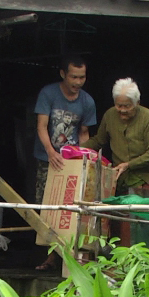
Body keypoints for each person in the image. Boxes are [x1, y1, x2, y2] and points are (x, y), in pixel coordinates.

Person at [33, 55, 98, 270]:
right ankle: (51, 256)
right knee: (47, 207)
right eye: (73, 77)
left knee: (71, 207)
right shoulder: (48, 93)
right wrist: (51, 152)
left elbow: (84, 133)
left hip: (71, 161)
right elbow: (41, 126)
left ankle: (72, 257)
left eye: (82, 77)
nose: (78, 82)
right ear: (63, 74)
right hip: (47, 159)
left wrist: (84, 160)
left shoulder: (87, 102)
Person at [81, 77, 149, 191]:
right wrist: (75, 150)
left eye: (127, 106)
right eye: (119, 105)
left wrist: (128, 164)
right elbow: (98, 141)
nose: (122, 110)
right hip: (123, 176)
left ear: (137, 103)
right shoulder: (109, 115)